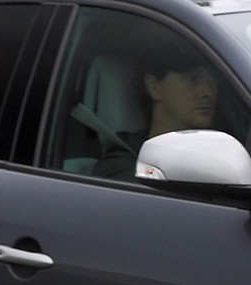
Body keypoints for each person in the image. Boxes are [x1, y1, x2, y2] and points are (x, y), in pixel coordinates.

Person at [93, 36, 219, 179]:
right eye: (192, 79)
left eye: (212, 80)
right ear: (154, 87)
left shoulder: (225, 154)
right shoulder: (123, 167)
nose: (208, 91)